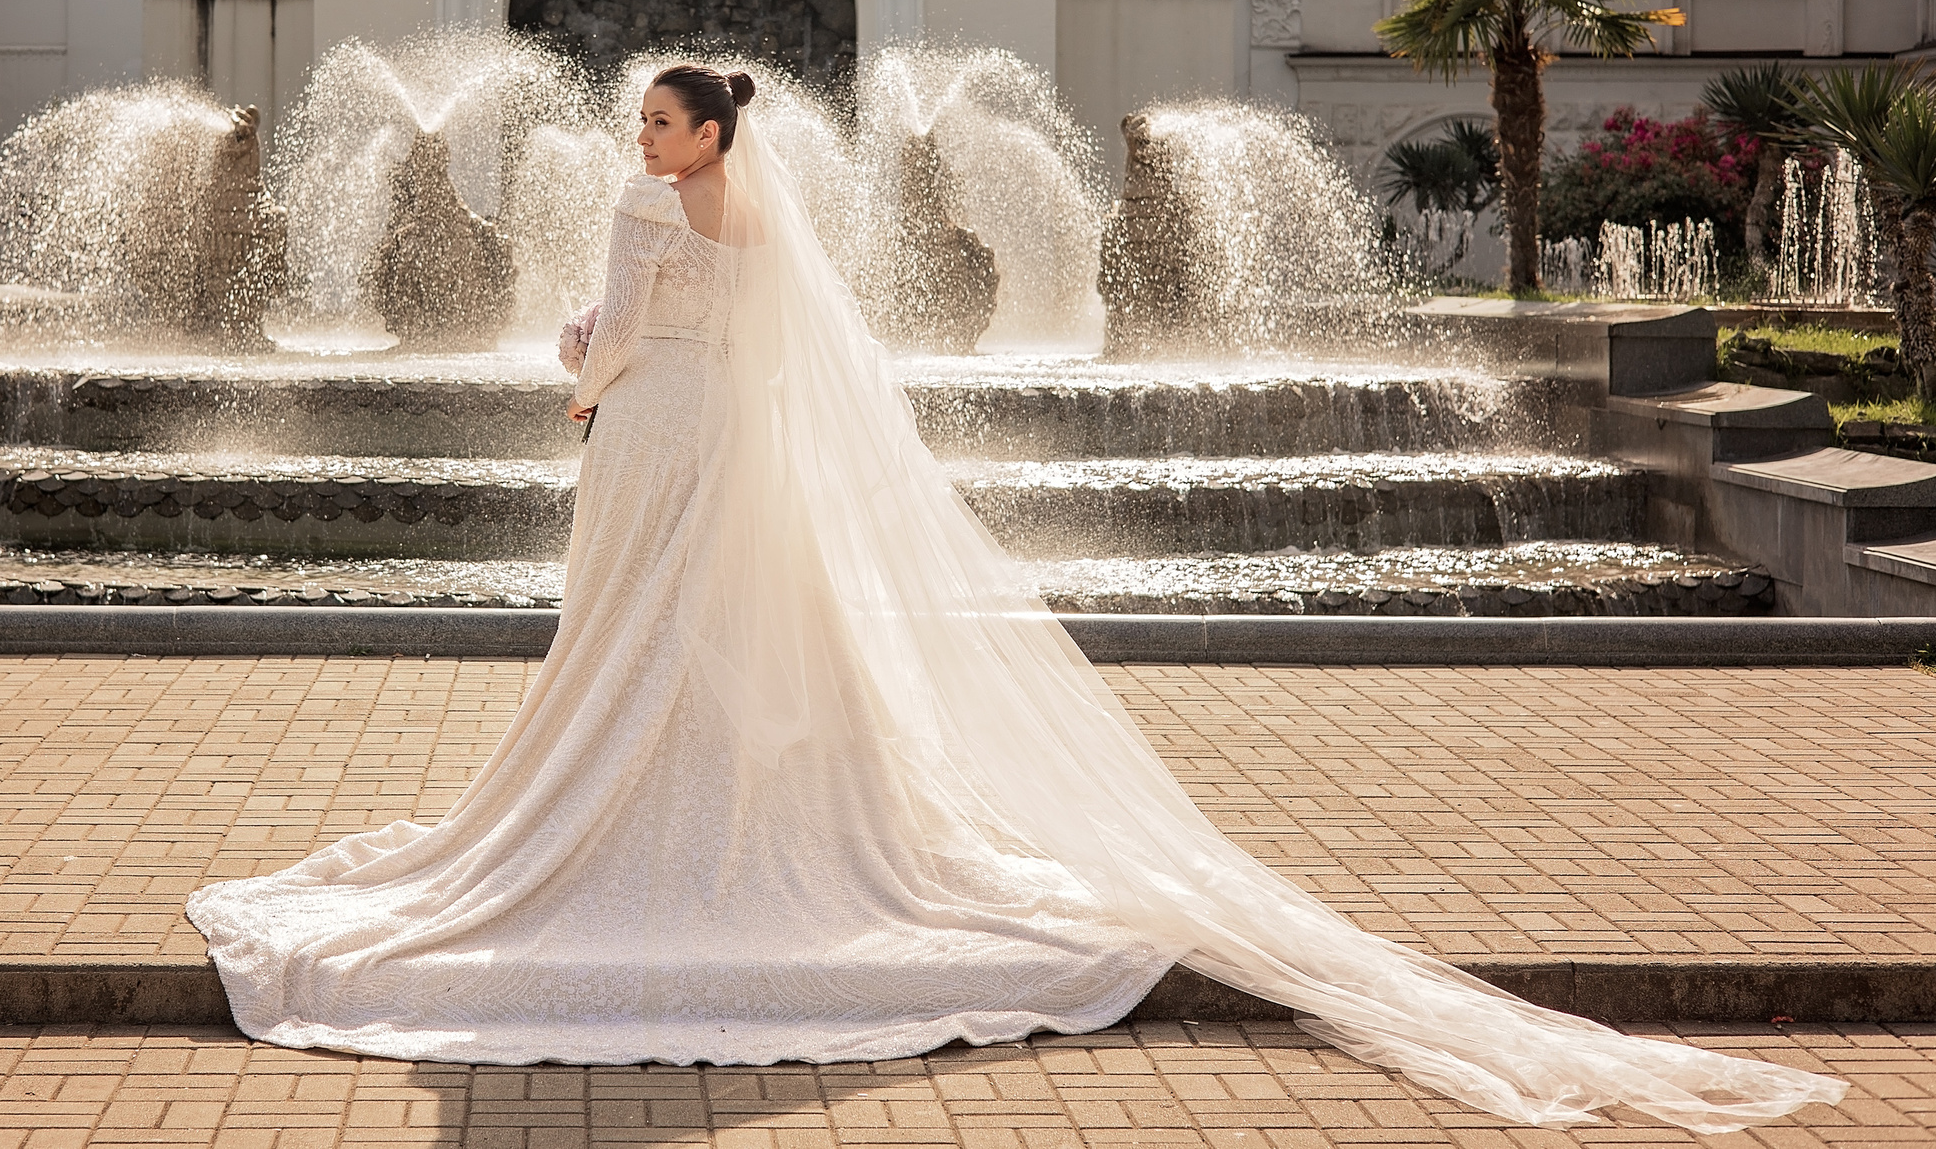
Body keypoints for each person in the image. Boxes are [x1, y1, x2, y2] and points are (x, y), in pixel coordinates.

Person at [189, 63, 1844, 1132]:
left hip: (652, 435)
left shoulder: (642, 209)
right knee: (738, 619)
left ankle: (625, 807)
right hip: (736, 442)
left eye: (660, 124)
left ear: (706, 134)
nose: (641, 143)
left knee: (633, 625)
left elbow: (618, 335)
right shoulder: (763, 216)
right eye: (641, 128)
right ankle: (752, 808)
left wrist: (576, 372)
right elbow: (771, 346)